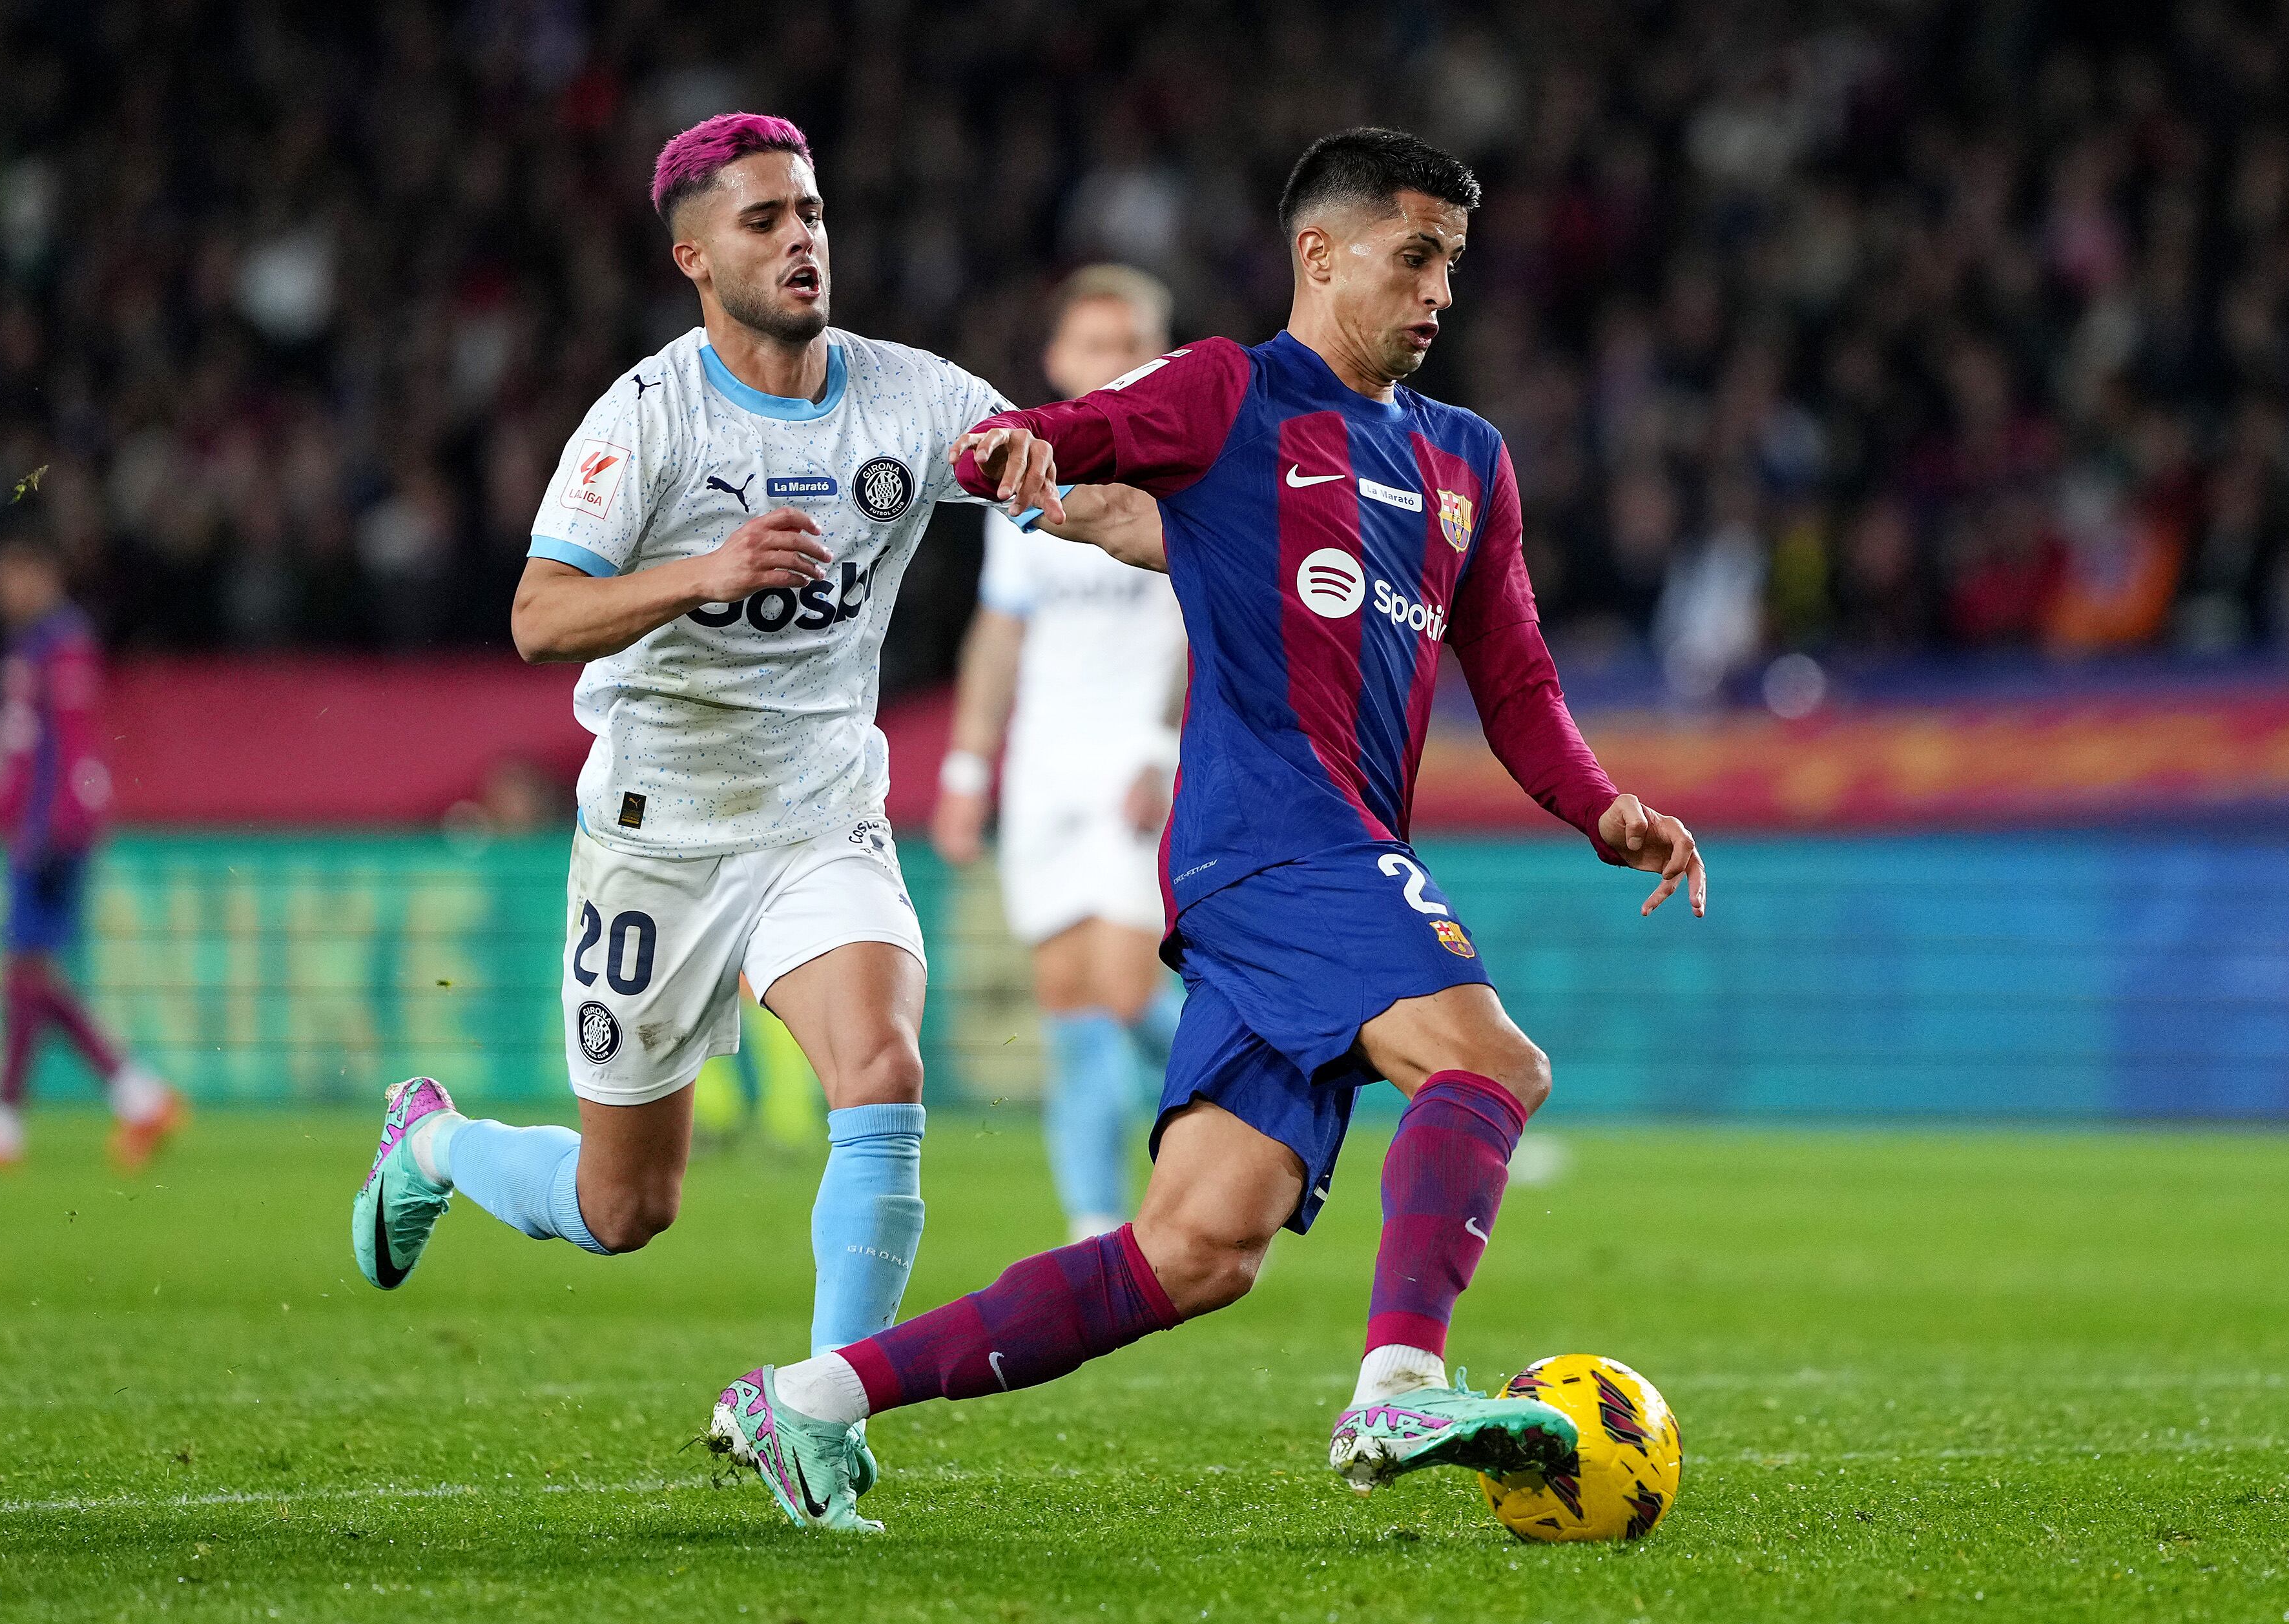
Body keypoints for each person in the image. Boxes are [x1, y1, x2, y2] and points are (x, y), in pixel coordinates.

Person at [708, 127, 1708, 1532]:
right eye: (1412, 256)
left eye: (1451, 267)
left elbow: (1518, 678)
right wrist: (1017, 444)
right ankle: (1402, 1379)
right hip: (1271, 841)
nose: (1436, 292)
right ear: (1320, 252)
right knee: (1490, 1060)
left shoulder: (1465, 461)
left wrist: (1601, 807)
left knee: (1196, 1248)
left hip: (1306, 857)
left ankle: (809, 1397)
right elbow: (1082, 435)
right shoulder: (1232, 393)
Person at [348, 112, 1030, 1484]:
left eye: (812, 214)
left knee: (881, 1068)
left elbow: (1063, 486)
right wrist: (700, 577)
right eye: (766, 221)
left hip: (821, 812)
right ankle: (435, 1141)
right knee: (624, 1207)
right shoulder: (648, 419)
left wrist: (1143, 498)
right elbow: (540, 618)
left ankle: (822, 1414)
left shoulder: (912, 399)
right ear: (694, 257)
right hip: (656, 839)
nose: (800, 241)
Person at [931, 265, 1188, 1242]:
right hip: (1045, 768)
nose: (1109, 362)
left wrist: (1163, 748)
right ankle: (1093, 1224)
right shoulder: (1027, 479)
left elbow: (1198, 629)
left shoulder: (1182, 470)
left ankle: (1296, 1093)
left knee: (1126, 989)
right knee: (1071, 1002)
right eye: (1092, 344)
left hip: (1136, 762)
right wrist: (966, 768)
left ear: (1156, 358)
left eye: (1128, 345)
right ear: (1057, 357)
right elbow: (1001, 635)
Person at [0, 530, 183, 1174]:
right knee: (29, 977)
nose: (2, 589)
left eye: (13, 574)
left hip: (53, 833)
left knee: (24, 973)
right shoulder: (29, 647)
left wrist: (45, 833)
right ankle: (135, 1098)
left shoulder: (64, 644)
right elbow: (20, 755)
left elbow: (63, 754)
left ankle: (8, 1126)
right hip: (34, 830)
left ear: (43, 573)